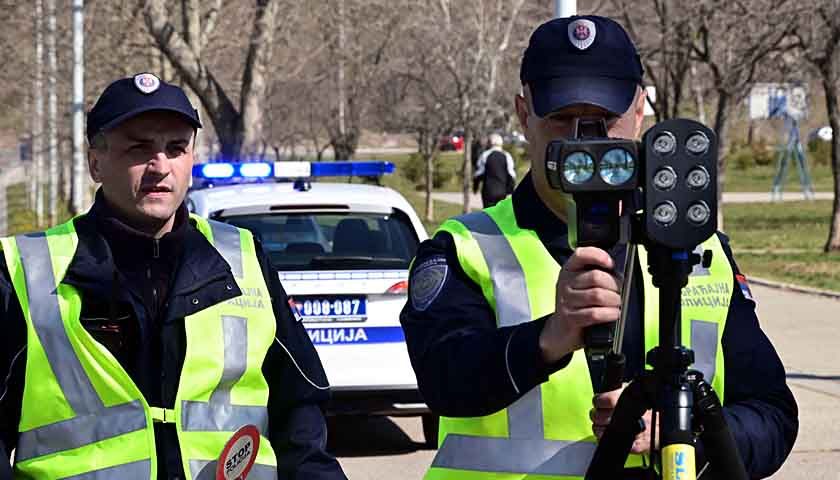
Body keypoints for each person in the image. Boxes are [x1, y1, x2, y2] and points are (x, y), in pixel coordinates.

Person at [400, 16, 798, 480]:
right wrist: (546, 340)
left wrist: (686, 431)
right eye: (563, 120)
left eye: (604, 121)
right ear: (523, 114)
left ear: (639, 112)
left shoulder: (700, 250)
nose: (583, 142)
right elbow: (443, 382)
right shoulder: (466, 248)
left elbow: (772, 415)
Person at [0, 73, 347, 480]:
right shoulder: (27, 269)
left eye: (176, 148)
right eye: (139, 148)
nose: (160, 166)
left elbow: (299, 409)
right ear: (96, 162)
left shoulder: (243, 256)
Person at [473, 133, 516, 208]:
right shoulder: (507, 155)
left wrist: (475, 187)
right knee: (501, 215)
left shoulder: (485, 155)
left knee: (489, 215)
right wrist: (510, 190)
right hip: (502, 192)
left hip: (488, 192)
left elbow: (478, 174)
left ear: (490, 143)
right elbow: (511, 175)